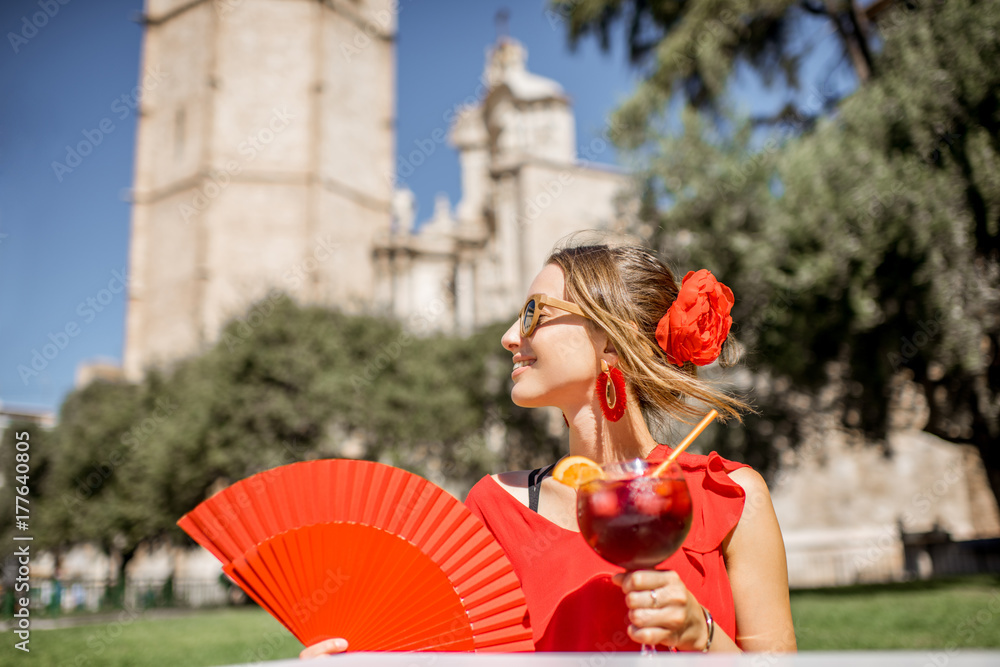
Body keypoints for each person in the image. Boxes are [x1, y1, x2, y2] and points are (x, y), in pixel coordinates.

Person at [302, 241, 795, 657]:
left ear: (610, 340)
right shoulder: (496, 509)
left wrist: (701, 634)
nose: (510, 337)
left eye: (534, 313)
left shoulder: (729, 496)